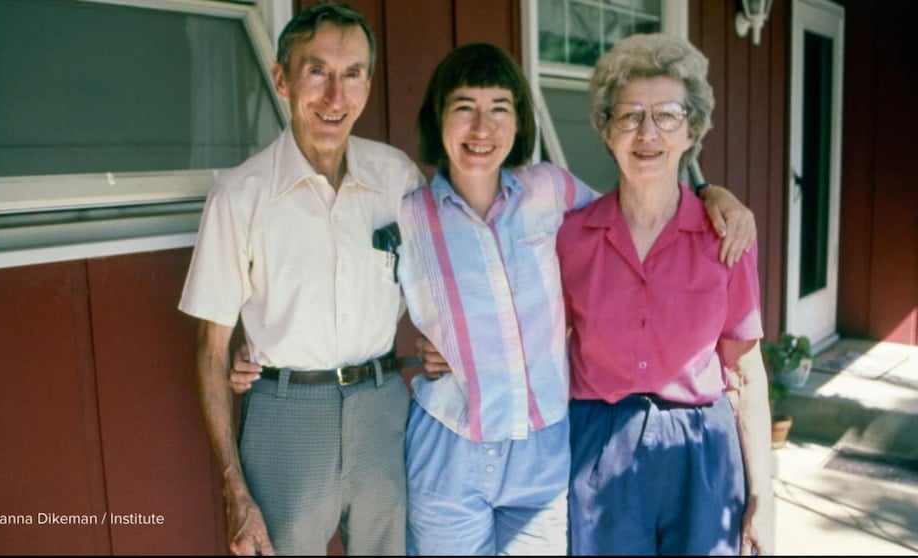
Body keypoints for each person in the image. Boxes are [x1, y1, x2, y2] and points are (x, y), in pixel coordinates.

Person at [396, 43, 757, 555]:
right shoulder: (406, 209)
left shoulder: (551, 191)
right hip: (452, 438)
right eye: (464, 109)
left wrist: (711, 193)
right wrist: (419, 349)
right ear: (438, 117)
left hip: (540, 447)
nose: (482, 128)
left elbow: (643, 204)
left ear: (520, 121)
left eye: (499, 109)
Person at [177, 2, 426, 555]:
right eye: (317, 72)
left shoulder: (397, 179)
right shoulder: (239, 196)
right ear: (281, 79)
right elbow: (210, 349)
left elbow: (432, 291)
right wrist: (234, 492)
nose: (335, 98)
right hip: (286, 415)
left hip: (383, 407)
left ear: (367, 82)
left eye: (352, 74)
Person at [556, 33, 774, 555]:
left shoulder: (728, 236)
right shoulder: (570, 236)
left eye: (668, 115)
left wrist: (763, 495)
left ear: (690, 130)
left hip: (701, 452)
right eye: (629, 116)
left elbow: (746, 373)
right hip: (600, 447)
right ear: (607, 131)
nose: (647, 132)